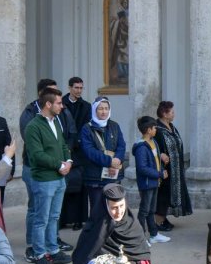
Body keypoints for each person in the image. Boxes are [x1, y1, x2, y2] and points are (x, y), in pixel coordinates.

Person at [24, 87, 74, 264]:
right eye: (59, 103)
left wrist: (68, 161)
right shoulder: (33, 126)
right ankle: (39, 255)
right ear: (48, 104)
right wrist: (59, 165)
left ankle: (53, 250)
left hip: (59, 177)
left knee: (54, 217)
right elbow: (36, 156)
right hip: (44, 179)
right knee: (41, 219)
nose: (62, 106)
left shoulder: (56, 121)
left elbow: (63, 145)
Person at [78, 97, 125, 225]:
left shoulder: (114, 126)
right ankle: (96, 240)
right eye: (100, 109)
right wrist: (109, 161)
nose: (103, 112)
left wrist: (117, 159)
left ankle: (112, 239)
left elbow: (121, 145)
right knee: (97, 211)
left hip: (113, 176)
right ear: (95, 110)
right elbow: (89, 151)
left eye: (106, 108)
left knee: (115, 210)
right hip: (95, 177)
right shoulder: (87, 129)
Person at [151, 101, 192, 233]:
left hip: (175, 168)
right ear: (164, 113)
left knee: (171, 194)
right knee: (163, 194)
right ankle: (157, 220)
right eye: (172, 112)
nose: (174, 114)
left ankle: (162, 218)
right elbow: (151, 145)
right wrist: (160, 153)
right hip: (164, 168)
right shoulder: (156, 129)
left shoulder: (171, 126)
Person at [60, 77, 93, 230]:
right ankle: (63, 220)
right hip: (62, 148)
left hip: (79, 151)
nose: (79, 91)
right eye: (76, 88)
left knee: (80, 187)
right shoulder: (61, 104)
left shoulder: (86, 106)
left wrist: (77, 142)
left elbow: (86, 127)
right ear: (69, 88)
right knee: (63, 185)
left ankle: (79, 219)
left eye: (81, 88)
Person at [133, 116, 170, 244]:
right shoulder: (141, 147)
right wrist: (159, 174)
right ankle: (140, 238)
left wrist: (161, 158)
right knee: (144, 211)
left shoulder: (153, 142)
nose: (156, 130)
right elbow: (142, 168)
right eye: (154, 128)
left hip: (154, 182)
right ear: (148, 130)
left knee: (151, 210)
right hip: (147, 183)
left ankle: (154, 234)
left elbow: (153, 159)